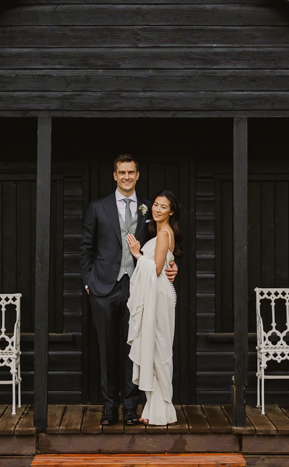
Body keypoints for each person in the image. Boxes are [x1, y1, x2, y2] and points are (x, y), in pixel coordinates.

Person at [79, 154, 178, 426]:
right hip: (103, 288)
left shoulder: (150, 207)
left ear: (137, 175)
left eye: (131, 172)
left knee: (136, 347)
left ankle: (131, 408)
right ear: (114, 175)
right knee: (107, 350)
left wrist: (172, 266)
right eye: (121, 172)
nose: (126, 177)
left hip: (139, 288)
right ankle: (110, 408)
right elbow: (86, 249)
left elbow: (163, 244)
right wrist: (89, 282)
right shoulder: (98, 207)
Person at [126, 190, 181, 426]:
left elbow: (157, 268)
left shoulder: (163, 234)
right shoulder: (162, 233)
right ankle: (155, 408)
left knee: (158, 349)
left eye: (163, 207)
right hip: (157, 294)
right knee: (158, 348)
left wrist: (137, 254)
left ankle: (162, 410)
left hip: (158, 296)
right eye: (155, 205)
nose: (157, 209)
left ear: (171, 211)